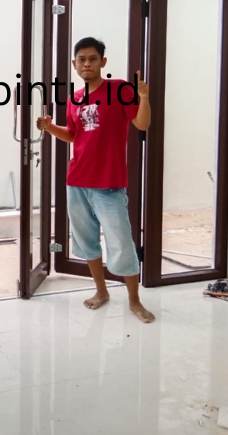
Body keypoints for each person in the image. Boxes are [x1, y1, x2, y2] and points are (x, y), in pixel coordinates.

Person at [37, 37, 155, 323]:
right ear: (75, 64)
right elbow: (73, 135)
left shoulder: (120, 89)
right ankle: (101, 291)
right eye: (81, 59)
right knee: (87, 240)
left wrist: (144, 98)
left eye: (92, 59)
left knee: (122, 243)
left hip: (110, 184)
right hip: (77, 181)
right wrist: (50, 127)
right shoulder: (74, 99)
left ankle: (134, 301)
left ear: (103, 62)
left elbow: (142, 124)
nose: (86, 64)